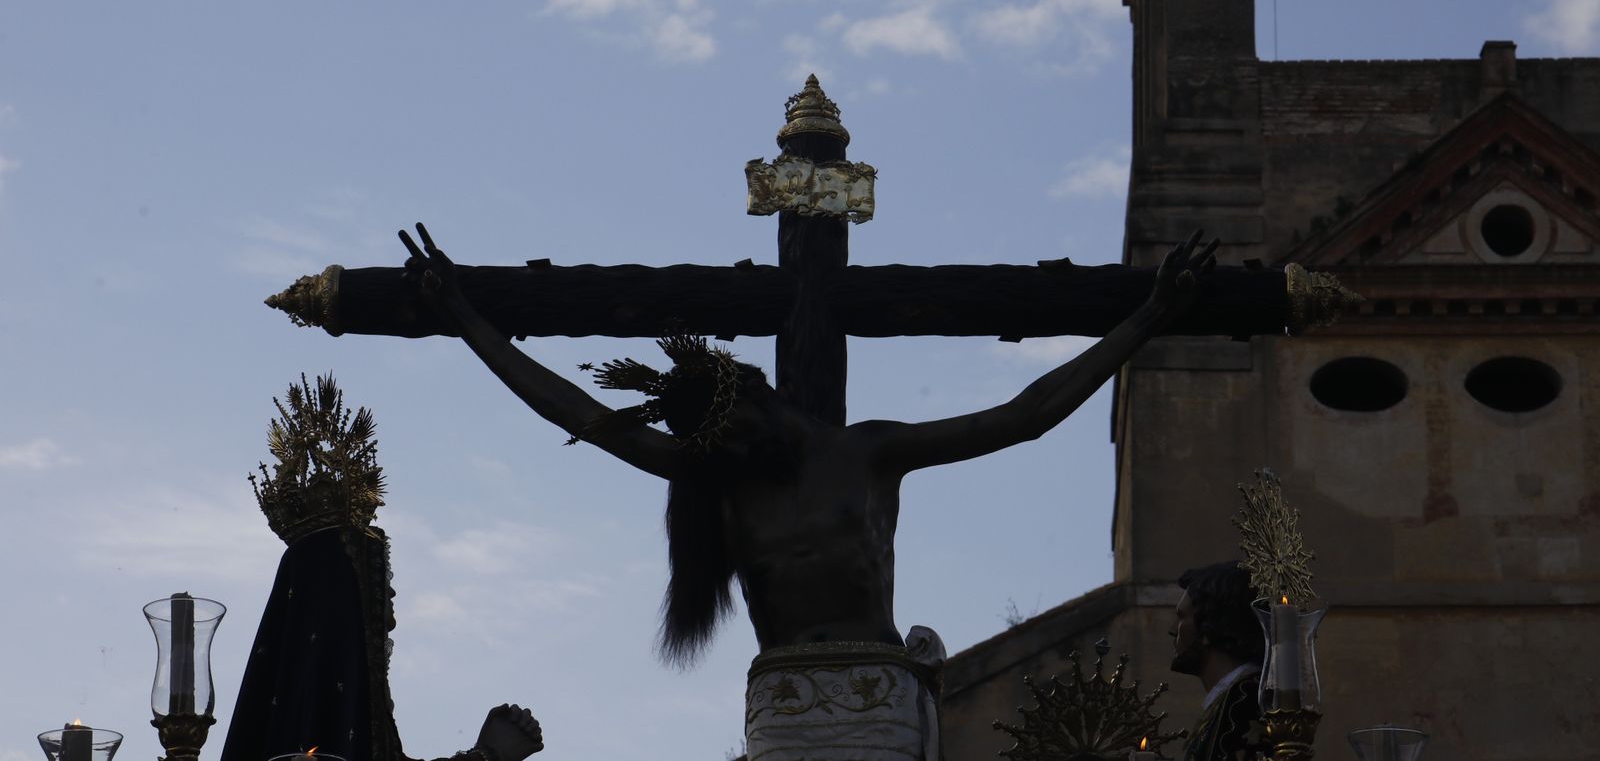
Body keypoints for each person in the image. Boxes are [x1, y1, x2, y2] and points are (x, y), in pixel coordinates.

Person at [400, 225, 1217, 760]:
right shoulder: (712, 475)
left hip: (879, 696)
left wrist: (1145, 321)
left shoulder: (869, 454)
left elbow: (1023, 417)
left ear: (758, 396)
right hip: (782, 704)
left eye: (732, 434)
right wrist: (467, 316)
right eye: (711, 447)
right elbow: (573, 408)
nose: (729, 454)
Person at [222, 375, 545, 761]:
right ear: (342, 600)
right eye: (378, 584)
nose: (389, 600)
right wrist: (488, 756)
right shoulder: (309, 733)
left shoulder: (353, 720)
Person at [1169, 561, 1265, 761]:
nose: (1172, 629)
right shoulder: (1228, 702)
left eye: (1181, 617)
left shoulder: (1245, 706)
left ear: (1208, 628)